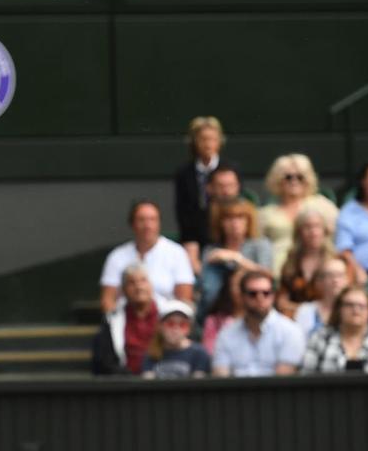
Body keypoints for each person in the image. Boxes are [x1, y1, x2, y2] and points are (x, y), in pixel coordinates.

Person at [98, 201, 194, 313]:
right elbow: (107, 300)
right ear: (132, 224)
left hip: (165, 323)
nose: (147, 225)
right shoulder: (116, 256)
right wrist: (115, 325)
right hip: (126, 322)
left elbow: (184, 300)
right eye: (141, 220)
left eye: (153, 219)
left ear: (159, 223)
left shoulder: (177, 253)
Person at [212, 271, 306, 377]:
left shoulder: (291, 331)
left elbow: (283, 381)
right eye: (253, 293)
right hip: (236, 393)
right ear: (242, 297)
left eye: (266, 293)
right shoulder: (226, 334)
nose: (260, 298)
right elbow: (221, 377)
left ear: (273, 296)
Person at [258, 154, 339, 274]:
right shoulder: (265, 213)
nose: (294, 181)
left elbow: (336, 237)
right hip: (276, 272)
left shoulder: (323, 206)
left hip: (318, 270)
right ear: (278, 180)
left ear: (307, 179)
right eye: (288, 177)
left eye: (300, 177)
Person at [301, 287, 368, 374]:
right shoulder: (320, 338)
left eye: (361, 306)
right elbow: (307, 377)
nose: (356, 310)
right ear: (339, 309)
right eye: (349, 305)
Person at [197, 198, 271, 320]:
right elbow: (204, 287)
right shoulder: (213, 250)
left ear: (249, 221)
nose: (235, 224)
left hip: (254, 306)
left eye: (240, 218)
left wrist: (237, 258)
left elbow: (267, 275)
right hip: (218, 311)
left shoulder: (260, 245)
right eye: (229, 219)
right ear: (220, 222)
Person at [174, 116, 226, 271]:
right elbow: (182, 212)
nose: (208, 144)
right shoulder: (184, 173)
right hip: (195, 240)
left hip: (225, 237)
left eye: (212, 139)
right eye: (203, 139)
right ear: (194, 142)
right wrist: (190, 247)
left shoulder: (229, 170)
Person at [100, 264, 162, 375]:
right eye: (132, 283)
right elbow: (106, 362)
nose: (139, 287)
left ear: (151, 285)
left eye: (143, 281)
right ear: (123, 290)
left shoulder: (167, 313)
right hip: (127, 383)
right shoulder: (112, 320)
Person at [277, 209, 339, 318]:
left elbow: (340, 299)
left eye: (317, 226)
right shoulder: (291, 262)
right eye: (307, 227)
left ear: (324, 231)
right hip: (295, 319)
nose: (313, 232)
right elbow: (282, 302)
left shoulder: (335, 261)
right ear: (299, 232)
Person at [142, 299, 211, 379]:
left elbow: (199, 385)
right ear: (160, 326)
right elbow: (148, 383)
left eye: (182, 325)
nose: (176, 329)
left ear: (189, 329)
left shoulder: (199, 353)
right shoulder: (151, 353)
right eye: (170, 324)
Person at [293, 257, 350, 338]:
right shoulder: (306, 310)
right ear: (319, 282)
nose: (335, 280)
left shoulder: (355, 309)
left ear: (347, 280)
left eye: (340, 275)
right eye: (330, 275)